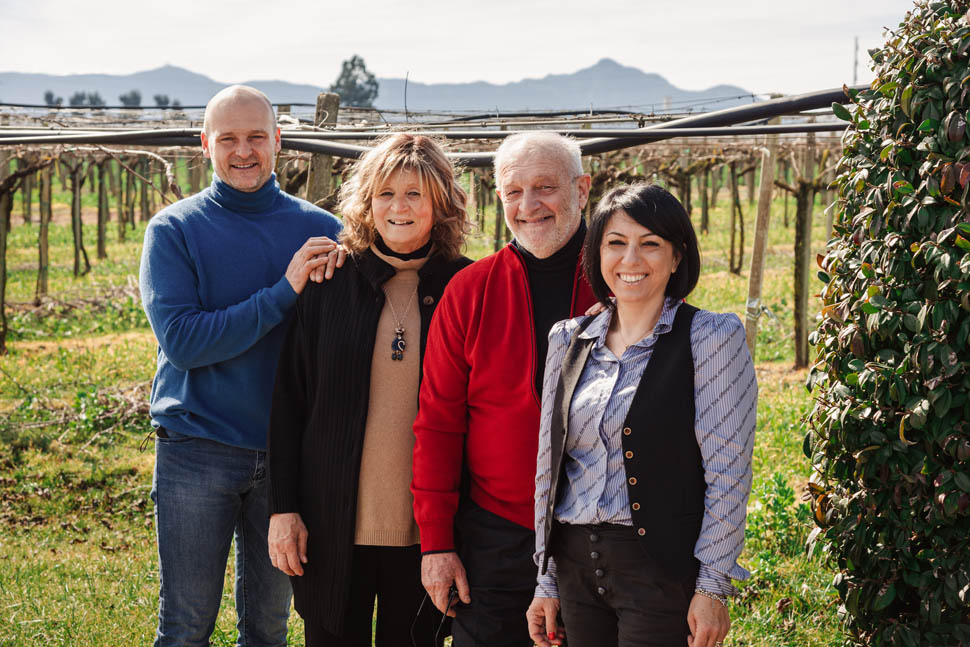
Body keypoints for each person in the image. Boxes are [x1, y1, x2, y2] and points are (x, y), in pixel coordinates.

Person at [139, 85, 343, 647]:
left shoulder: (325, 232)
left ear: (279, 141)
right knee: (185, 627)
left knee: (269, 628)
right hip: (196, 449)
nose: (244, 150)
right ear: (205, 145)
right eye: (228, 138)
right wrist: (284, 292)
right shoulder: (174, 231)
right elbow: (184, 342)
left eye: (257, 136)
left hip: (287, 459)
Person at [526, 183, 758, 647]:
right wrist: (546, 579)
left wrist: (713, 586)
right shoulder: (567, 339)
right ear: (597, 255)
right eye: (616, 243)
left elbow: (728, 473)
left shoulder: (711, 337)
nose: (631, 259)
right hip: (575, 568)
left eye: (650, 244)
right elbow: (550, 471)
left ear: (676, 258)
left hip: (659, 571)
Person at [267, 133, 473, 647]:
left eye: (414, 195)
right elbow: (290, 404)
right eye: (385, 193)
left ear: (441, 204)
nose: (398, 208)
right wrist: (282, 507)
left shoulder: (468, 287)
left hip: (429, 533)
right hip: (332, 526)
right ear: (367, 201)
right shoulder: (328, 282)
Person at [411, 132, 598, 647]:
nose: (528, 205)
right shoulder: (470, 291)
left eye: (545, 187)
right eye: (514, 191)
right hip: (496, 533)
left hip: (603, 534)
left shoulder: (624, 280)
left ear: (583, 189)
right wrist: (437, 544)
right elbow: (438, 423)